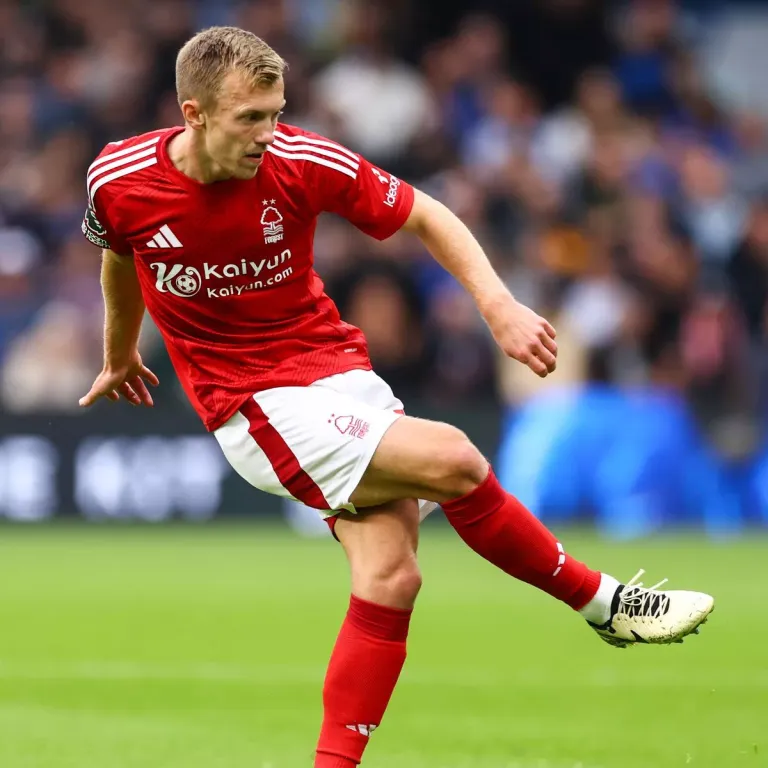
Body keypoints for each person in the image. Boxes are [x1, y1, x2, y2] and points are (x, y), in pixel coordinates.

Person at [79, 27, 714, 768]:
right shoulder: (118, 178)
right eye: (249, 118)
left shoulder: (298, 160)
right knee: (456, 458)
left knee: (392, 576)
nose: (268, 134)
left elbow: (425, 213)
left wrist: (498, 305)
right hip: (253, 404)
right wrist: (119, 352)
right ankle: (605, 605)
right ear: (193, 114)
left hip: (337, 373)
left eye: (276, 112)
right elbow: (118, 255)